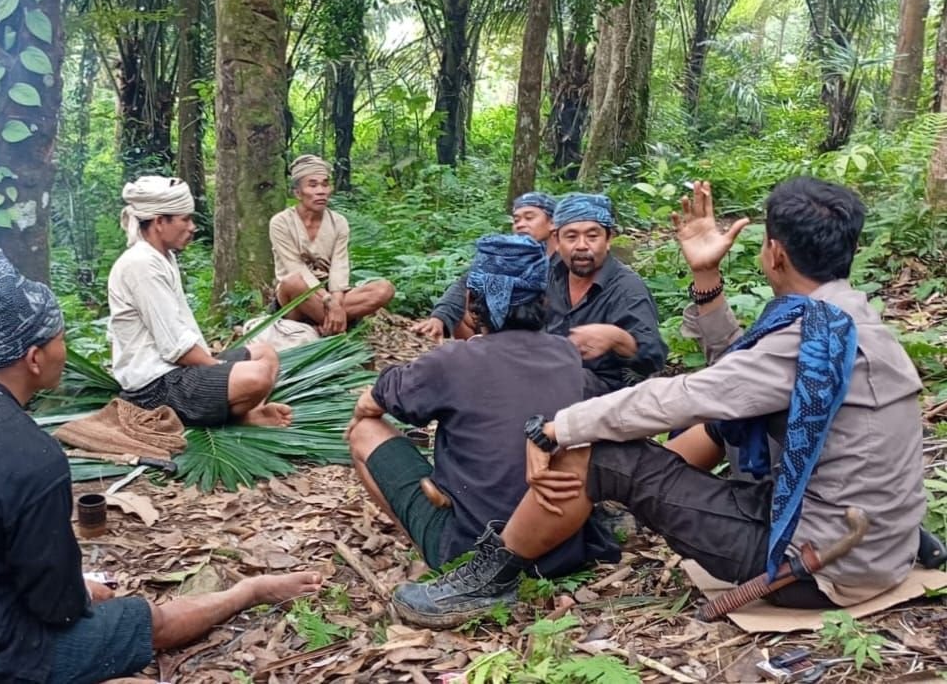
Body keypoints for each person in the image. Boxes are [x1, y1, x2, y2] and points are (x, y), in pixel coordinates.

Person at [390, 179, 925, 628]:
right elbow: (735, 372)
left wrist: (556, 427)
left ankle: (493, 577)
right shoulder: (848, 321)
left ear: (775, 253)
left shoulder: (810, 335)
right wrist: (705, 277)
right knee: (714, 420)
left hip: (816, 562)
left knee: (595, 451)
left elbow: (686, 392)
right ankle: (589, 518)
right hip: (867, 541)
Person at [0, 251, 323, 683]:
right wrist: (77, 596)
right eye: (60, 338)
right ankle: (250, 591)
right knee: (142, 621)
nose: (65, 349)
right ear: (34, 358)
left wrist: (69, 586)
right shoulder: (33, 457)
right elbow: (56, 610)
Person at [346, 235, 618, 623]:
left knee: (364, 432)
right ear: (543, 300)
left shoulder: (455, 359)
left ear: (474, 304)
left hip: (474, 547)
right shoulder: (566, 354)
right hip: (565, 546)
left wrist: (365, 410)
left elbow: (372, 402)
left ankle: (443, 562)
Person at [108, 176, 291, 428]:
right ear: (160, 222)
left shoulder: (162, 257)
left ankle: (247, 412)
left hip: (178, 370)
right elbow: (175, 347)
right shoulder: (141, 264)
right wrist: (219, 367)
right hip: (156, 386)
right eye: (185, 219)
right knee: (258, 375)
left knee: (266, 353)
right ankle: (242, 415)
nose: (192, 227)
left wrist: (219, 369)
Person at [545, 193, 667, 396]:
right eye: (571, 237)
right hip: (547, 374)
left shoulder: (627, 288)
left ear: (608, 239)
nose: (582, 245)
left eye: (592, 236)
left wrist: (619, 339)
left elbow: (654, 357)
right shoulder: (548, 275)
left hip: (607, 394)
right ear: (557, 241)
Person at [270, 155, 394, 335]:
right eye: (312, 185)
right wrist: (328, 301)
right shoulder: (281, 222)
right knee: (293, 282)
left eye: (325, 184)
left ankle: (325, 327)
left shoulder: (338, 222)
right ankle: (337, 328)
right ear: (297, 193)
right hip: (295, 299)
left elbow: (339, 267)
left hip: (332, 295)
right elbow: (295, 268)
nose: (321, 191)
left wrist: (335, 301)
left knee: (384, 289)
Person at [412, 192, 557, 341]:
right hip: (497, 330)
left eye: (529, 218)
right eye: (516, 220)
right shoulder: (507, 256)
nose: (520, 225)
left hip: (544, 334)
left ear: (552, 222)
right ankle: (478, 351)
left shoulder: (570, 259)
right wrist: (439, 318)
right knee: (466, 307)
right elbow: (464, 285)